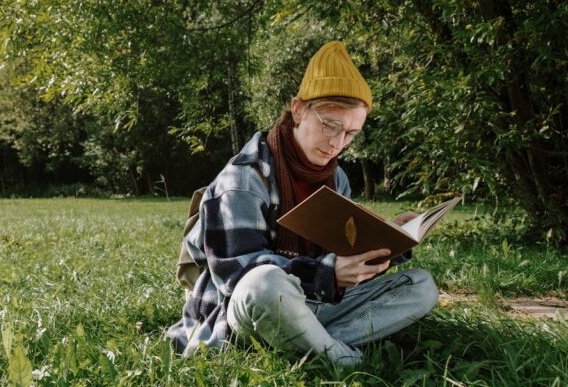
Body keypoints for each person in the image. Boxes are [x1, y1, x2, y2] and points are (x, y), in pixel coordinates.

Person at [165, 41, 439, 366]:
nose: (337, 143)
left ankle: (301, 341)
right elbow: (235, 274)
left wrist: (388, 240)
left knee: (421, 286)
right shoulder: (243, 179)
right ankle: (340, 357)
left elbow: (339, 253)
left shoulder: (337, 179)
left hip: (314, 300)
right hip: (244, 308)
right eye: (330, 125)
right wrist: (328, 274)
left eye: (351, 133)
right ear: (298, 109)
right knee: (264, 283)